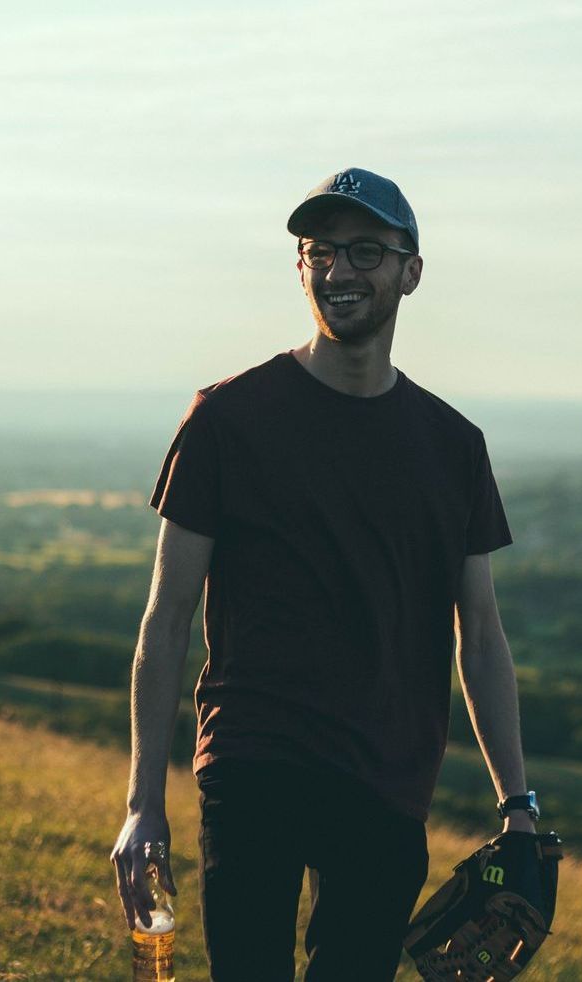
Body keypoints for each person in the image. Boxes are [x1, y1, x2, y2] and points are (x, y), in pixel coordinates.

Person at [110, 167, 539, 981]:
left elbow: (479, 636)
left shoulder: (452, 447)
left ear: (411, 271)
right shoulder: (227, 421)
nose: (339, 271)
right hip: (252, 761)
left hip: (387, 779)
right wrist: (143, 806)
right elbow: (165, 622)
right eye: (320, 251)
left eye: (366, 251)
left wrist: (517, 806)